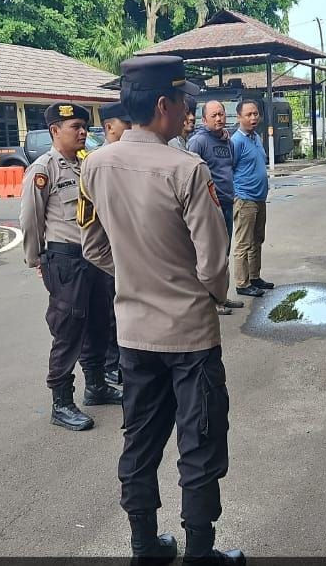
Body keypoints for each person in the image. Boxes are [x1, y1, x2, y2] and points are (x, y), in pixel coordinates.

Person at [79, 54, 243, 563]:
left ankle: (144, 545)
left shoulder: (95, 165)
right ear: (163, 105)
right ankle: (200, 552)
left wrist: (136, 275)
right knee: (200, 443)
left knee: (140, 441)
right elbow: (213, 262)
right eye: (183, 101)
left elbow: (93, 246)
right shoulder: (187, 169)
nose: (188, 112)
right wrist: (209, 295)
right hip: (190, 335)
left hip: (134, 333)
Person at [20, 101, 123, 431]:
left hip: (94, 258)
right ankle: (61, 402)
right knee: (68, 330)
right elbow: (31, 218)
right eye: (75, 127)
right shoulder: (43, 170)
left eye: (84, 126)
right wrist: (36, 258)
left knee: (99, 323)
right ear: (55, 130)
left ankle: (96, 386)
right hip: (65, 259)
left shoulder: (85, 165)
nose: (82, 132)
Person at [188, 100, 245, 317]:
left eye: (221, 114)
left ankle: (222, 296)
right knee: (210, 256)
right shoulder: (198, 142)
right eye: (214, 115)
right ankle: (210, 301)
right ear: (204, 120)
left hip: (228, 204)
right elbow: (190, 175)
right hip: (210, 208)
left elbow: (230, 169)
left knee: (224, 253)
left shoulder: (228, 141)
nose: (219, 118)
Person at [97, 101, 133, 385]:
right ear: (109, 127)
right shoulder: (97, 164)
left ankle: (125, 362)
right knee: (109, 313)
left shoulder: (132, 160)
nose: (132, 129)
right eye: (126, 124)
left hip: (131, 251)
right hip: (108, 253)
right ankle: (111, 366)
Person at [231, 100, 273, 298]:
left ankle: (254, 277)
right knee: (244, 243)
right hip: (244, 199)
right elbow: (230, 169)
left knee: (257, 240)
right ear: (239, 117)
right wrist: (236, 194)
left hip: (259, 198)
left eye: (255, 114)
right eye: (248, 114)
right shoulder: (236, 141)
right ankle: (242, 283)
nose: (253, 117)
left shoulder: (256, 137)